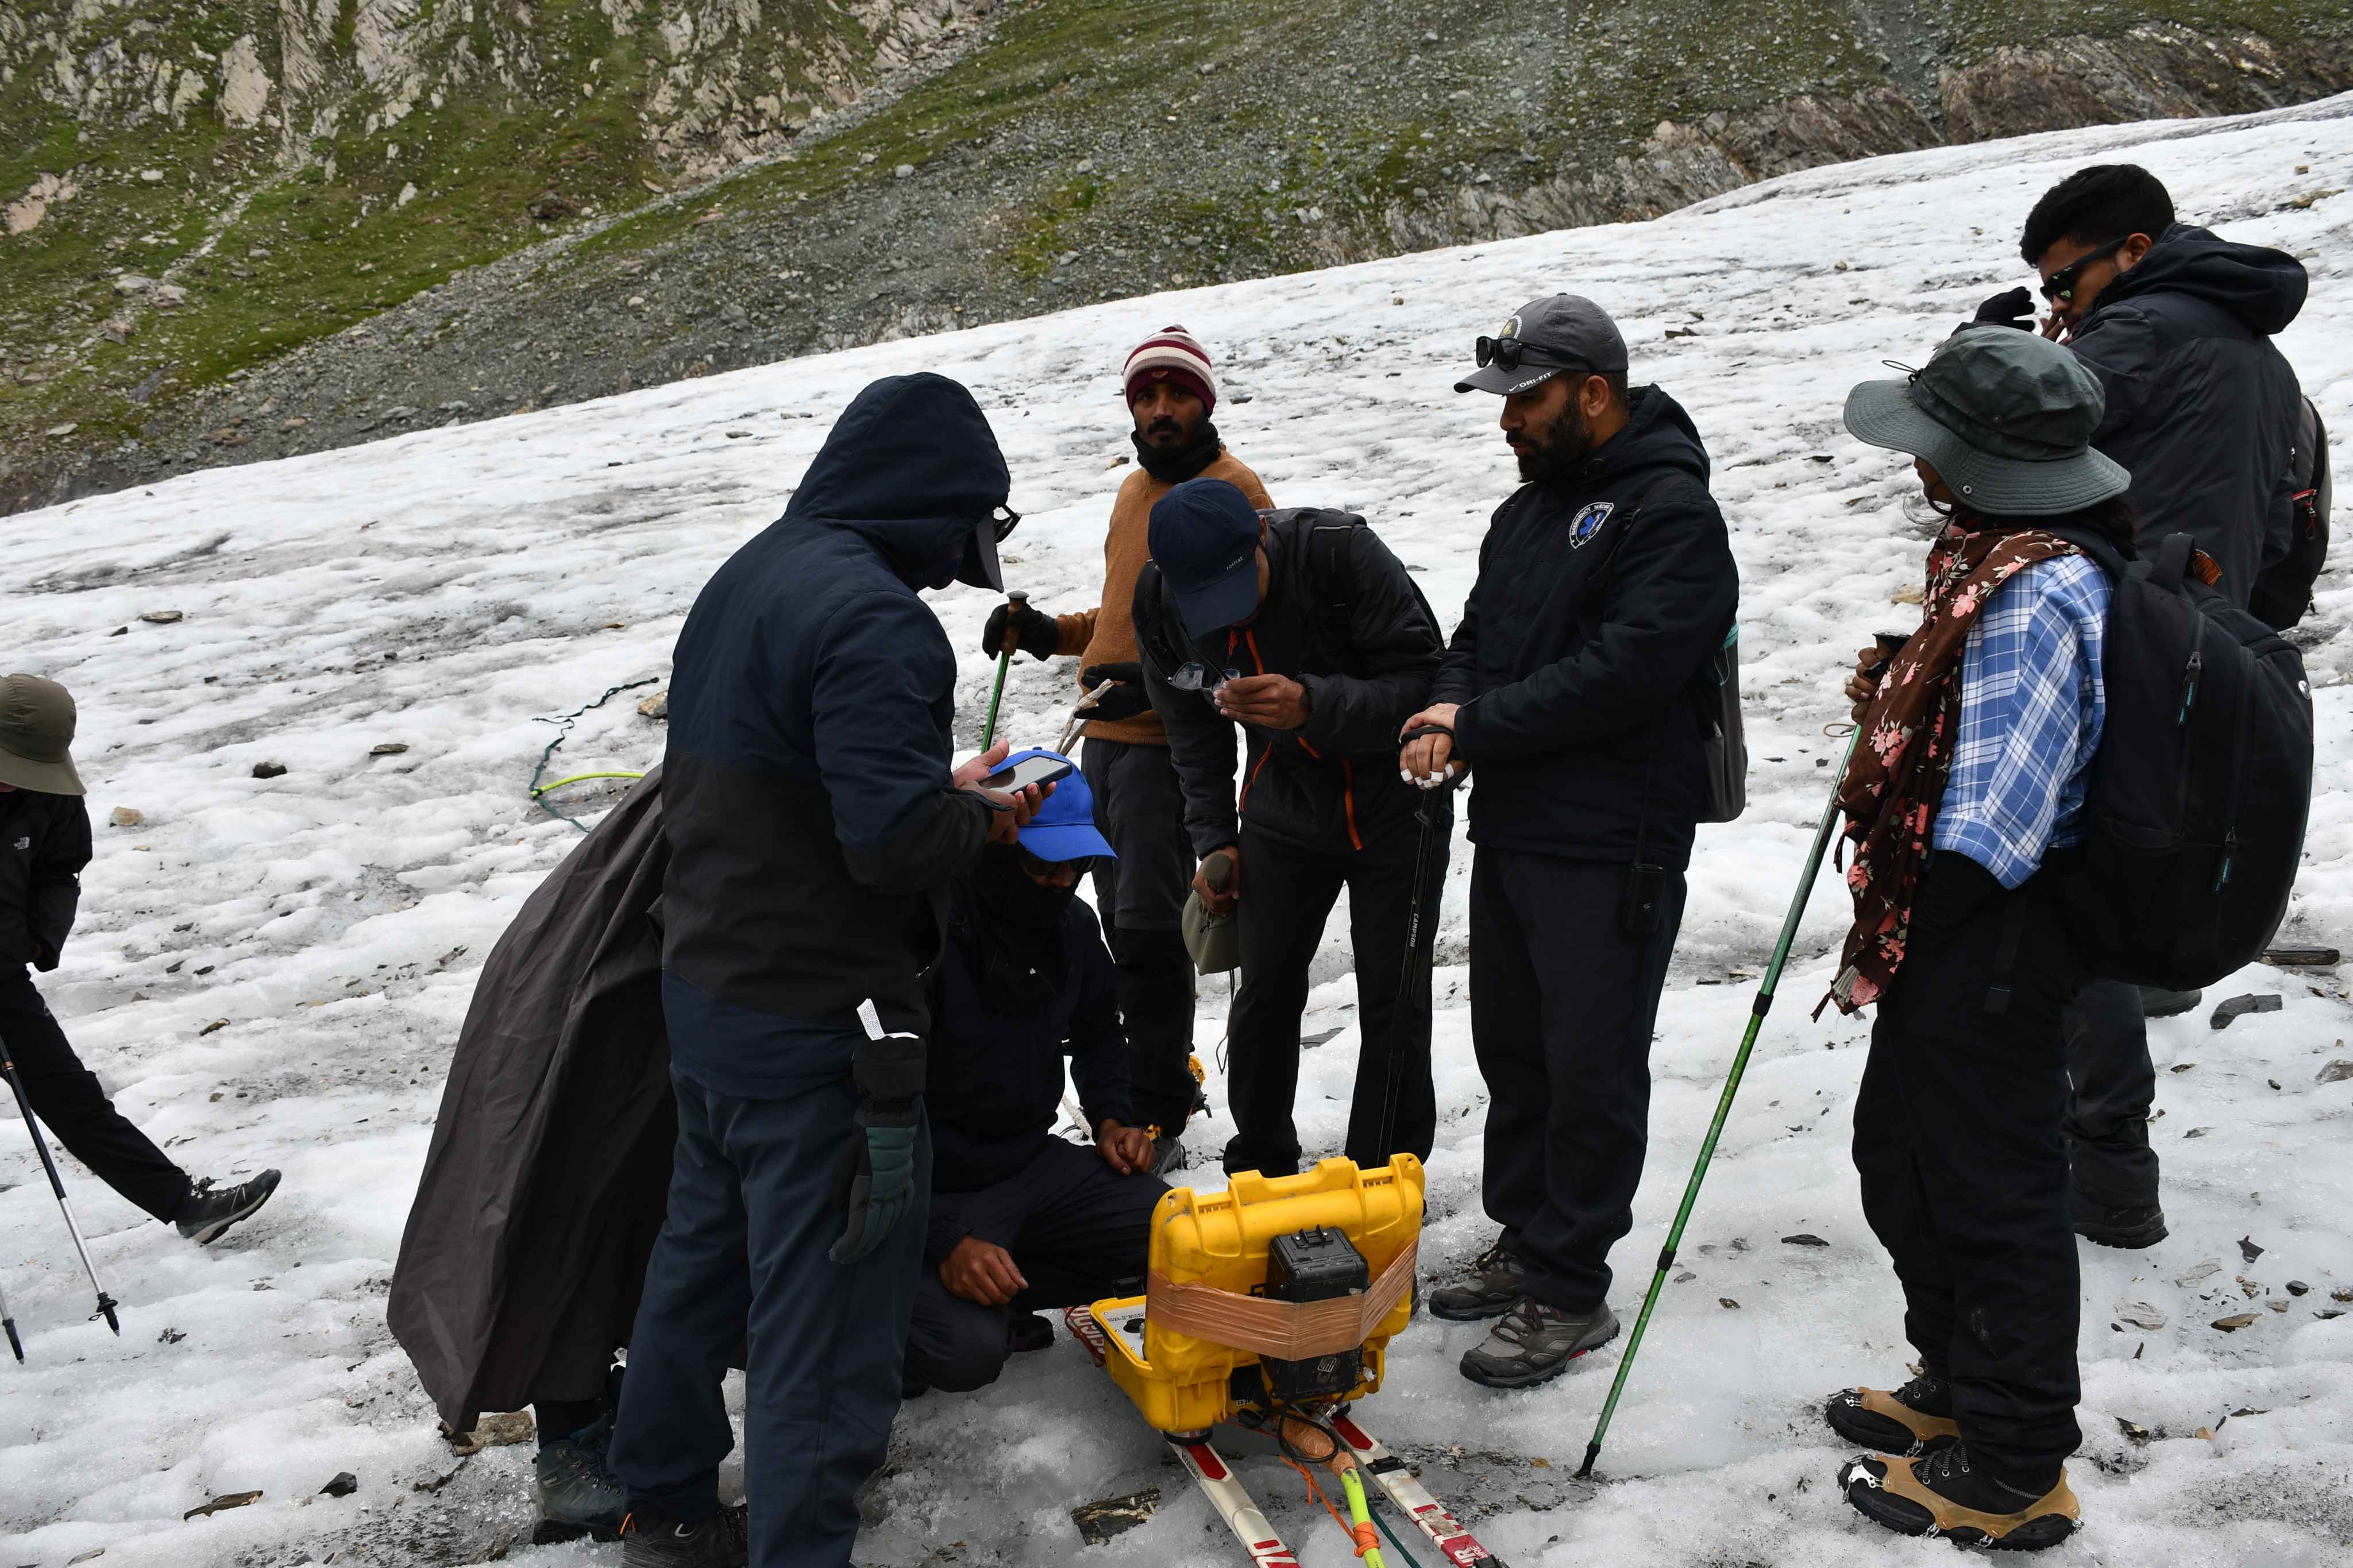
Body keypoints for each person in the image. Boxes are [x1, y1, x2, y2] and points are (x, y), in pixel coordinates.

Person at [605, 373, 1048, 1568]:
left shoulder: (751, 574)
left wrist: (932, 789)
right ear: (935, 504)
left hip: (710, 990)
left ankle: (664, 1500)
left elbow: (807, 788)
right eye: (962, 536)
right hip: (821, 1020)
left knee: (700, 1259)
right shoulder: (875, 619)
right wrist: (983, 818)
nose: (951, 574)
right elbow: (890, 848)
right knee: (830, 1306)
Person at [1399, 294, 1738, 1389]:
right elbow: (1476, 640)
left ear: (1594, 394)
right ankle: (1526, 1236)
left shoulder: (1670, 515)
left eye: (1526, 400)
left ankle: (1571, 1281)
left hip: (1612, 836)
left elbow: (1627, 674)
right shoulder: (1526, 515)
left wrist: (1476, 726)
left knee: (1589, 1063)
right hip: (1514, 823)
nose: (1507, 421)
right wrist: (1442, 709)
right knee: (1516, 1050)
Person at [1823, 328, 2126, 1550]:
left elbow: (1998, 823)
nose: (1914, 460)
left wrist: (1916, 916)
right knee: (1902, 1156)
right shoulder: (1990, 561)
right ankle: (1956, 1381)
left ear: (1975, 457)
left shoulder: (2033, 591)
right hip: (1955, 932)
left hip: (1992, 933)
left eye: (1928, 440)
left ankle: (2013, 1466)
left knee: (1989, 1188)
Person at [1976, 164, 2310, 1248]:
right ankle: (2115, 1154)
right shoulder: (2263, 356)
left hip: (2118, 634)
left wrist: (1987, 356)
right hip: (2211, 645)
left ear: (2131, 251)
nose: (2058, 306)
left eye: (2063, 283)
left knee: (2068, 882)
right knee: (2137, 857)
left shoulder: (2140, 330)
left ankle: (2107, 1163)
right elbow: (2290, 529)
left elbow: (2006, 442)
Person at [979, 327, 1275, 1172]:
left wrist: (1166, 688)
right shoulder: (1134, 490)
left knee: (1147, 933)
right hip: (1102, 743)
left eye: (1177, 394)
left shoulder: (1234, 490)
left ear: (1204, 403)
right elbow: (1121, 619)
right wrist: (1049, 633)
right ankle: (1145, 1081)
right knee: (1107, 923)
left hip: (1165, 749)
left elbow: (1248, 622)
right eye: (1147, 396)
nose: (1160, 410)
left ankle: (1156, 1108)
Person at [1136, 478, 1448, 1181]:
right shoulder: (1160, 602)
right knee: (1265, 990)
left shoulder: (1339, 554)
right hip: (1281, 806)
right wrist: (1214, 838)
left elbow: (1428, 685)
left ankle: (1383, 1175)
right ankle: (1259, 1163)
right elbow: (1190, 729)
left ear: (1260, 538)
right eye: (1204, 602)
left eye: (1234, 588)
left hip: (1396, 804)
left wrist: (1312, 705)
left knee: (1394, 996)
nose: (1225, 615)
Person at [903, 749, 1167, 1396]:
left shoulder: (1073, 928)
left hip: (1026, 1165)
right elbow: (859, 1115)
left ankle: (1003, 1290)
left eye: (1076, 867)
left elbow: (1100, 1033)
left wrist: (1112, 1116)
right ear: (993, 847)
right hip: (922, 1185)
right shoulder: (922, 933)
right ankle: (903, 1314)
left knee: (1173, 1231)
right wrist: (943, 1239)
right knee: (965, 1353)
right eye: (1044, 865)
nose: (1061, 882)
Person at [0, 673, 280, 1250]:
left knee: (70, 1095)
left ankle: (186, 1206)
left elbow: (60, 871)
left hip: (1, 974)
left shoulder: (52, 797)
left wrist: (35, 943)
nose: (14, 782)